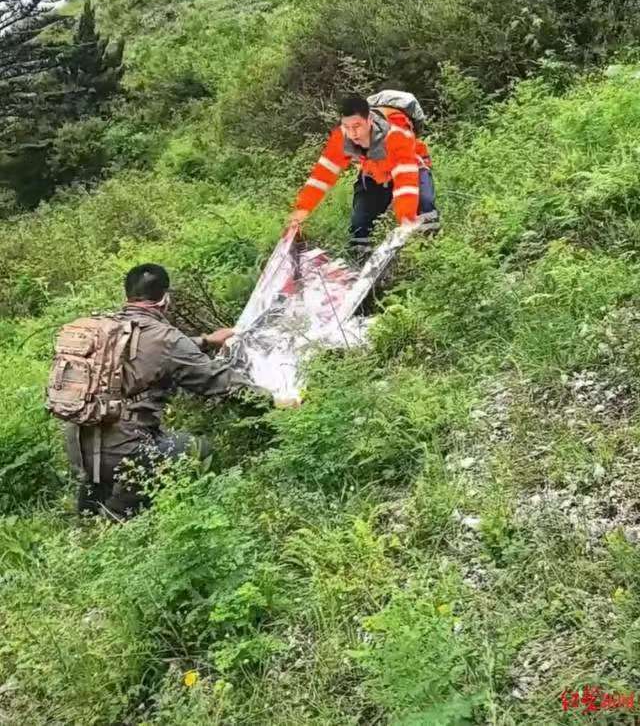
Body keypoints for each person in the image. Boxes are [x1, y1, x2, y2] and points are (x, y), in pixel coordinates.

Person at [63, 263, 253, 520]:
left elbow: (145, 352)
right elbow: (217, 381)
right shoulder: (166, 338)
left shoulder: (104, 329)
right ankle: (121, 517)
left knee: (102, 468)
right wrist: (273, 397)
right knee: (197, 448)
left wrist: (205, 341)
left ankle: (90, 515)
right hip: (124, 449)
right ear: (165, 298)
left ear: (127, 296)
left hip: (78, 444)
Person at [289, 93, 439, 253]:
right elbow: (321, 177)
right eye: (347, 127)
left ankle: (430, 251)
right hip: (374, 173)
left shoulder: (397, 135)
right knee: (360, 225)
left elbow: (406, 182)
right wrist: (301, 211)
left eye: (357, 126)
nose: (353, 134)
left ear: (370, 121)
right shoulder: (341, 137)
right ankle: (360, 263)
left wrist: (406, 217)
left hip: (410, 166)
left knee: (425, 205)